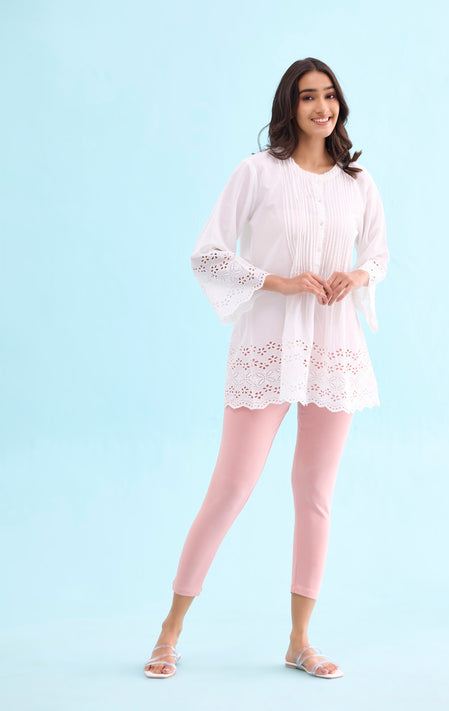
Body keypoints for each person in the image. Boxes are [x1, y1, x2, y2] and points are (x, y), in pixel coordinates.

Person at [143, 57, 390, 680]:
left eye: (329, 95)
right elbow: (208, 253)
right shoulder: (257, 173)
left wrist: (356, 275)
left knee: (316, 496)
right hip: (268, 346)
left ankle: (300, 641)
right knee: (230, 490)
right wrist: (277, 281)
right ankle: (169, 631)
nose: (321, 107)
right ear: (290, 106)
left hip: (333, 349)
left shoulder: (358, 182)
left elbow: (379, 255)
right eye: (308, 97)